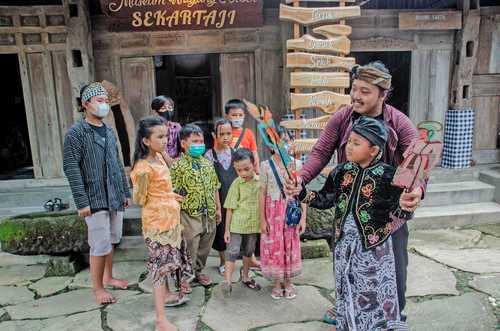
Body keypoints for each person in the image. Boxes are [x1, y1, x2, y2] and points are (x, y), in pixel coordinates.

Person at [285, 61, 423, 324]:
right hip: (349, 215)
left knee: (393, 271)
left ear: (383, 93)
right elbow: (321, 152)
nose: (356, 96)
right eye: (354, 88)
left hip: (387, 216)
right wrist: (301, 179)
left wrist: (416, 190)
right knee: (346, 266)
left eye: (365, 91)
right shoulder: (343, 117)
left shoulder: (401, 124)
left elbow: (415, 166)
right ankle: (347, 313)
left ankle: (394, 318)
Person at [300, 116, 412, 331]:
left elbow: (401, 209)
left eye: (356, 143)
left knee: (371, 291)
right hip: (344, 245)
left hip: (373, 249)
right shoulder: (341, 172)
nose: (349, 147)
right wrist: (302, 194)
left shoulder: (390, 176)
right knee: (345, 286)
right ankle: (347, 324)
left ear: (374, 150)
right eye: (349, 141)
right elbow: (326, 199)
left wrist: (406, 204)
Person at [63, 82, 130, 304]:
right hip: (93, 197)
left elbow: (118, 163)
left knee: (111, 239)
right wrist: (81, 201)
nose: (104, 105)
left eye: (106, 101)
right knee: (99, 244)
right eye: (99, 101)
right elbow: (71, 167)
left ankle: (109, 277)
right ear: (86, 104)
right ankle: (98, 288)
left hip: (113, 195)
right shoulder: (76, 133)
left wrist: (124, 191)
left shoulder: (109, 132)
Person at [130, 116, 193, 331]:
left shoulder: (159, 158)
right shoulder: (143, 168)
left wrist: (171, 195)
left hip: (170, 219)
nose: (165, 140)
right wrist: (165, 198)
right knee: (159, 269)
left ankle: (167, 295)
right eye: (160, 136)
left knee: (166, 266)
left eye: (166, 135)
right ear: (146, 141)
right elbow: (140, 199)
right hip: (158, 225)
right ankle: (160, 320)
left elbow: (161, 190)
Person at [170, 124, 221, 286]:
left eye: (201, 141)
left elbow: (215, 186)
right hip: (188, 213)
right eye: (195, 141)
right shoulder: (177, 165)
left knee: (206, 243)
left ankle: (198, 271)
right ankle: (185, 276)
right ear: (183, 143)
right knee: (190, 244)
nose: (199, 144)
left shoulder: (207, 163)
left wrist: (218, 208)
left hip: (209, 212)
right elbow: (172, 191)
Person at [259, 132, 307, 300]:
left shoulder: (298, 164)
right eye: (278, 141)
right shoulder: (265, 166)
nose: (283, 145)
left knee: (289, 245)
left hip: (290, 212)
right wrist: (262, 219)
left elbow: (303, 193)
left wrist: (303, 218)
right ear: (271, 145)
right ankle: (277, 282)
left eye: (286, 141)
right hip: (272, 213)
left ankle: (288, 282)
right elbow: (262, 194)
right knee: (275, 247)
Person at [221, 148, 261, 296]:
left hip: (253, 225)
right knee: (232, 251)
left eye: (247, 169)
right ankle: (227, 281)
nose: (243, 173)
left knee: (249, 251)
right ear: (235, 169)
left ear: (253, 164)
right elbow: (230, 208)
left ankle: (245, 276)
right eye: (239, 170)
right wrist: (226, 230)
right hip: (237, 225)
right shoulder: (236, 184)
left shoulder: (260, 182)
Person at [204, 119, 238, 276]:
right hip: (219, 199)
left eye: (228, 134)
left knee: (237, 228)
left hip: (235, 200)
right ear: (214, 135)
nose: (226, 137)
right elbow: (210, 183)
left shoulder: (236, 154)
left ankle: (242, 258)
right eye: (222, 134)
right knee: (221, 230)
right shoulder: (209, 156)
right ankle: (223, 261)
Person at [224, 99, 260, 173]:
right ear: (227, 116)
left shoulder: (249, 133)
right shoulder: (223, 132)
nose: (237, 118)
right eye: (234, 115)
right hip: (229, 170)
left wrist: (257, 171)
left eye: (240, 115)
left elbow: (254, 153)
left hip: (245, 170)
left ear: (244, 116)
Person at [152, 96, 182, 167]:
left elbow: (182, 148)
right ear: (155, 112)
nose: (167, 111)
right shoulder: (152, 129)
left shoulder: (176, 127)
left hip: (176, 164)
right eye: (163, 108)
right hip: (158, 165)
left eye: (170, 108)